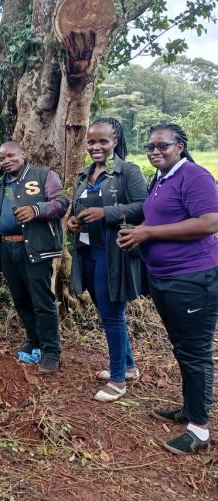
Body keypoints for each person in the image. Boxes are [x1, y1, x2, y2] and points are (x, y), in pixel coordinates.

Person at [118, 124, 218, 454]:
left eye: (162, 145)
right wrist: (139, 231)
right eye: (149, 146)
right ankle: (190, 410)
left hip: (192, 278)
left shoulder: (194, 175)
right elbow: (159, 218)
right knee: (182, 346)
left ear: (180, 146)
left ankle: (199, 430)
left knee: (196, 351)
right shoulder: (161, 178)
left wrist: (149, 235)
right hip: (165, 277)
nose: (154, 151)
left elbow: (209, 223)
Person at [67, 118, 147, 402]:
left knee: (112, 315)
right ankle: (128, 367)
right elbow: (76, 207)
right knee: (107, 312)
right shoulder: (84, 174)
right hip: (87, 251)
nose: (96, 146)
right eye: (91, 141)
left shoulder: (127, 172)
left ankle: (117, 381)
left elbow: (142, 207)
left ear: (115, 142)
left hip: (112, 253)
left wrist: (106, 213)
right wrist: (73, 221)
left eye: (103, 141)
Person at [0, 141, 69, 373]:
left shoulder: (44, 176)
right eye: (1, 158)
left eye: (11, 155)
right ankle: (34, 342)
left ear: (23, 154)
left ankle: (51, 351)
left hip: (35, 249)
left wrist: (36, 210)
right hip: (8, 250)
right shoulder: (3, 186)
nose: (6, 161)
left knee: (42, 301)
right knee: (21, 300)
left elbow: (61, 203)